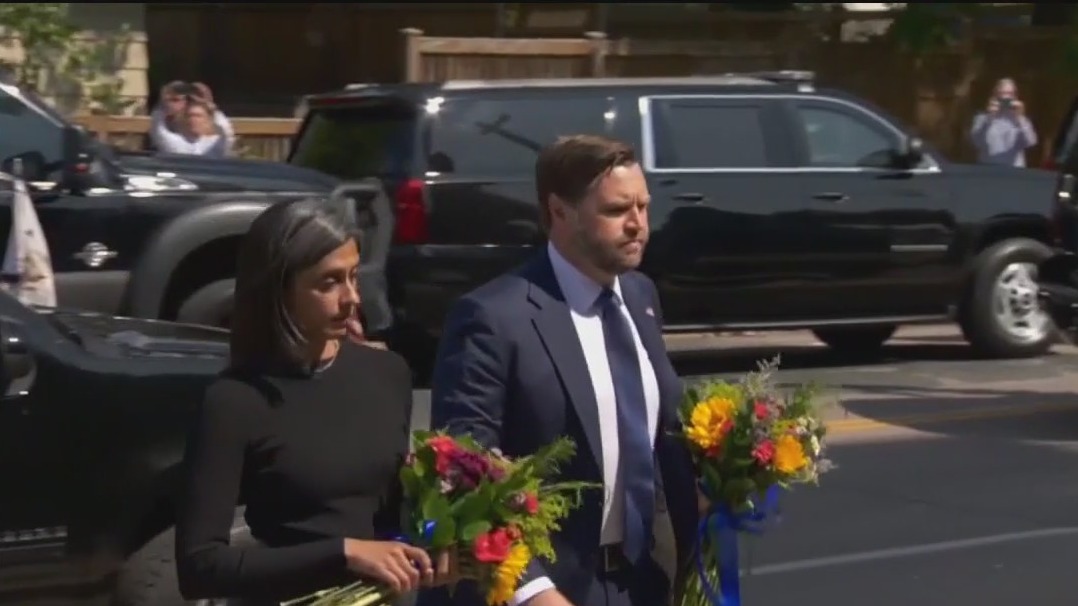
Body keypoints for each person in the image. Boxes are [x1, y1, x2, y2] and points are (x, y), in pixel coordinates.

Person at [424, 135, 698, 606]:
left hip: (643, 583)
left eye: (644, 207)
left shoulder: (641, 296)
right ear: (559, 211)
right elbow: (463, 473)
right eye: (616, 211)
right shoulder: (492, 318)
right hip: (546, 588)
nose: (638, 225)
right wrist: (532, 592)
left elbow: (654, 436)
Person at [175, 197, 450, 605]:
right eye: (329, 282)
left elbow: (390, 518)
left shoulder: (386, 373)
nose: (351, 298)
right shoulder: (236, 401)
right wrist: (345, 552)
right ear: (279, 291)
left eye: (354, 277)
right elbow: (200, 568)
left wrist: (440, 537)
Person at [970, 77, 1038, 167]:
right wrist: (989, 118)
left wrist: (1020, 118)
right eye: (1001, 93)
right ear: (995, 95)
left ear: (1015, 96)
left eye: (1010, 93)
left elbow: (1030, 142)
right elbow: (976, 142)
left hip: (1014, 171)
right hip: (987, 169)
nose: (1005, 97)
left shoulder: (1020, 120)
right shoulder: (982, 118)